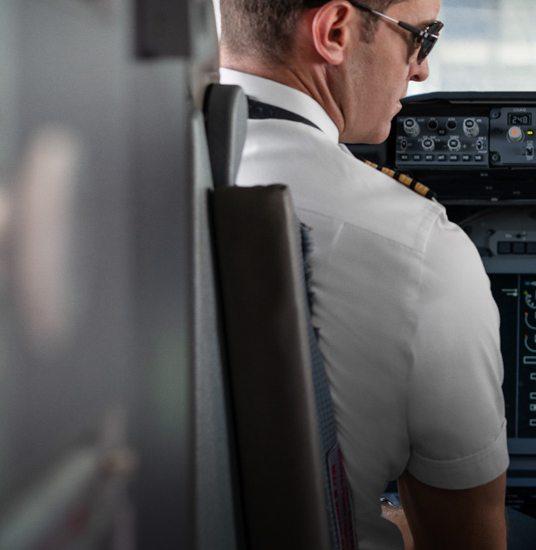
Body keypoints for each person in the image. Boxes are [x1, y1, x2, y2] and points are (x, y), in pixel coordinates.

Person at [217, 1, 511, 548]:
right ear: (334, 31)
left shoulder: (98, 190)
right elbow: (466, 538)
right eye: (422, 36)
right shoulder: (419, 246)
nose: (422, 69)